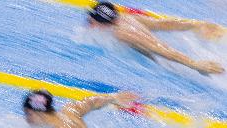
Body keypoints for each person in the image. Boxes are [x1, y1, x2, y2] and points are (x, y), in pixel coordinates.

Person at [87, 1, 226, 74]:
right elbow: (164, 24)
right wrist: (194, 24)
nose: (90, 25)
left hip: (169, 64)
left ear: (103, 23)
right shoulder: (127, 18)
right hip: (168, 59)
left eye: (92, 21)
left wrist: (195, 65)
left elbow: (159, 48)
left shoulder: (122, 33)